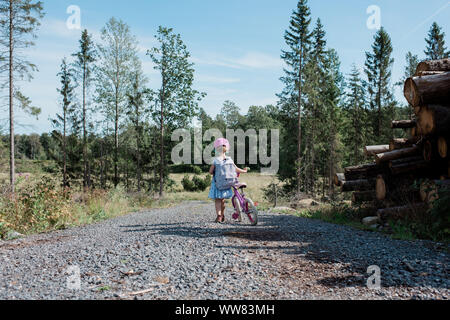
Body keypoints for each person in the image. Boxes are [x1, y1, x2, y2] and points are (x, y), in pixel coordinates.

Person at [208, 138, 249, 223]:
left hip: (218, 184)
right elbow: (236, 169)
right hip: (227, 183)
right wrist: (244, 171)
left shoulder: (215, 160)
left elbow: (211, 172)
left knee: (218, 200)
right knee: (222, 200)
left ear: (216, 149)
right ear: (226, 149)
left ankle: (219, 216)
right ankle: (222, 214)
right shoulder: (230, 159)